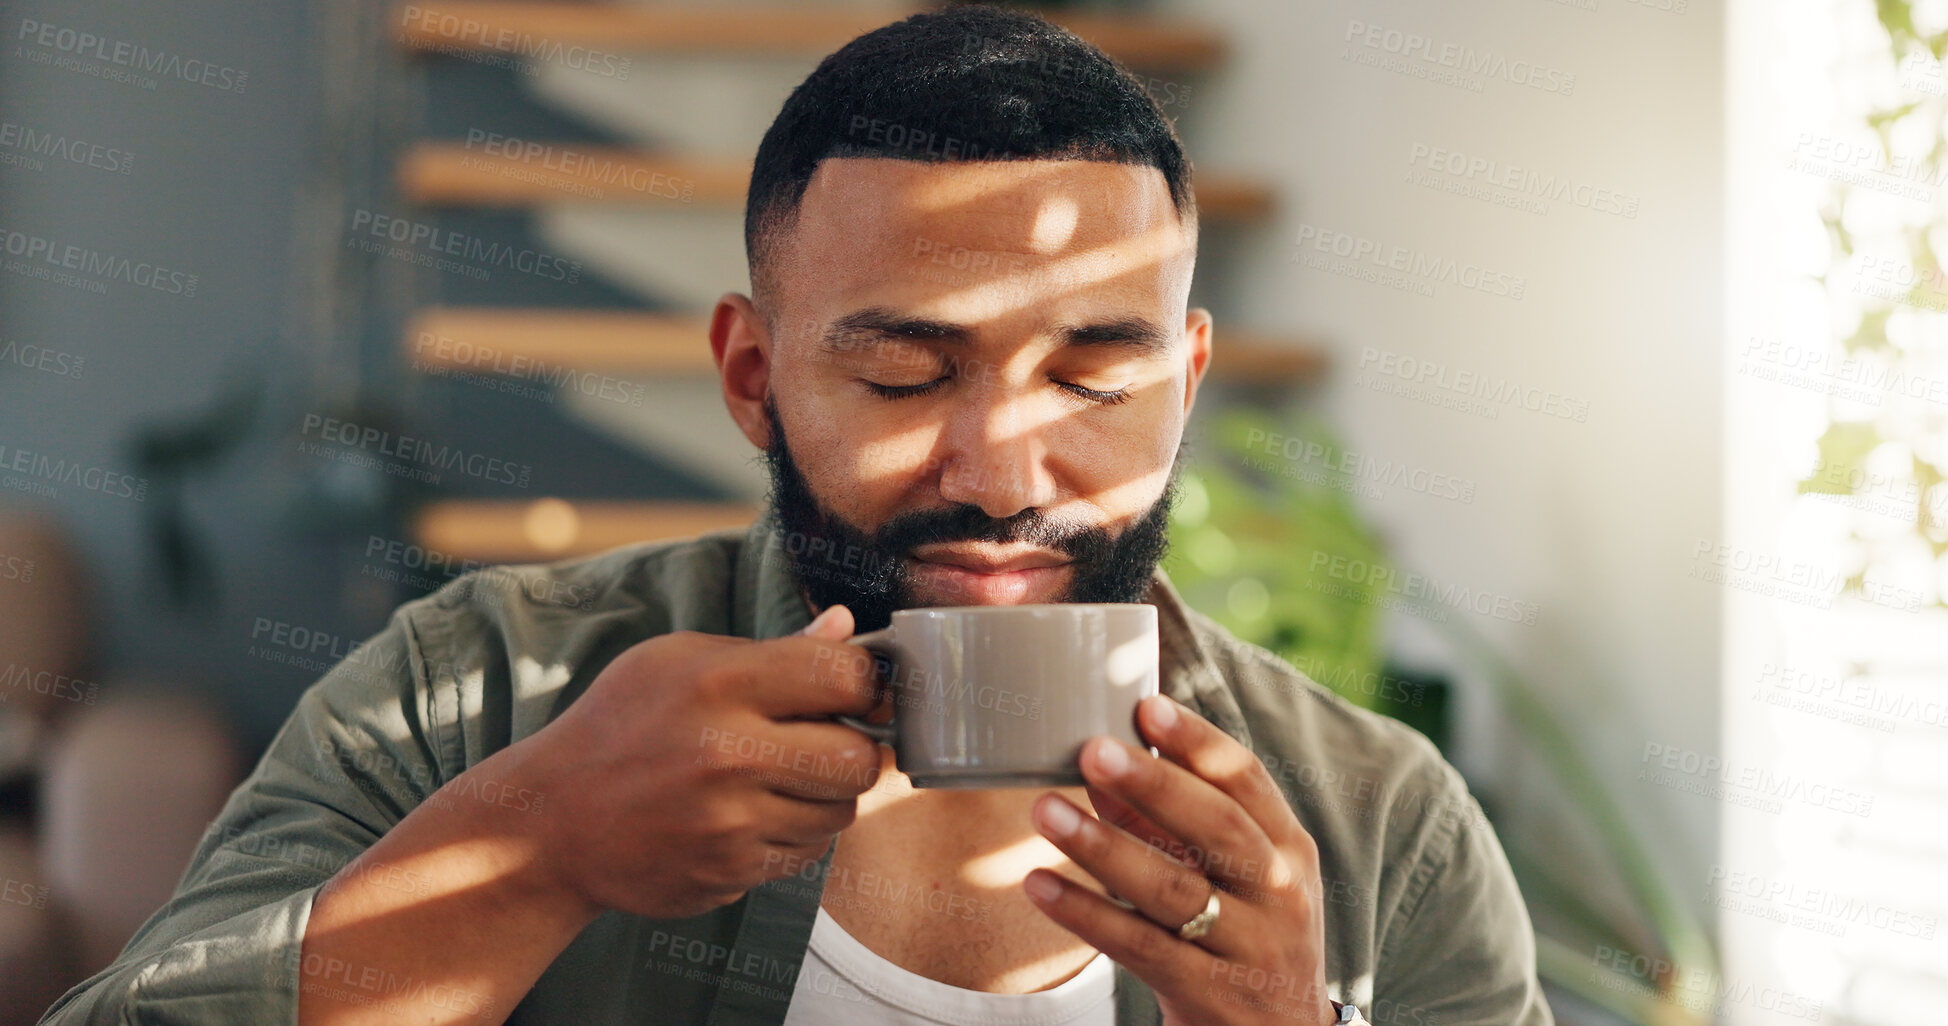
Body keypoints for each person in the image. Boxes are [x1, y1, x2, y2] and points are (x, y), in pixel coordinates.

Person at [41, 6, 1553, 1025]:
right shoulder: (482, 696)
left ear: (1190, 378)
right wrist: (541, 842)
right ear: (753, 377)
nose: (1005, 472)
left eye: (1097, 372)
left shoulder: (1379, 829)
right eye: (903, 371)